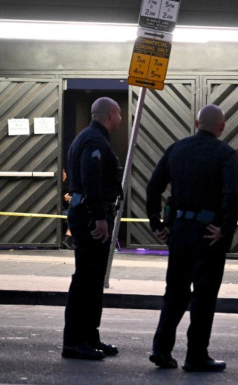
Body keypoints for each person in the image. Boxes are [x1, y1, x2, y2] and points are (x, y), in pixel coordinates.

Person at [146, 104, 238, 372]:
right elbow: (232, 193)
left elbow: (153, 187)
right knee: (204, 295)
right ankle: (196, 355)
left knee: (174, 293)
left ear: (196, 122)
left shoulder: (176, 149)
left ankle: (161, 350)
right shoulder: (226, 154)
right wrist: (225, 228)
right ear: (221, 127)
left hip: (178, 232)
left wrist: (157, 224)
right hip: (207, 234)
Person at [62, 97, 122, 361]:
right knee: (86, 280)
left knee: (93, 279)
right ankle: (75, 342)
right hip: (90, 216)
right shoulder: (95, 141)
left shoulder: (87, 137)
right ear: (110, 114)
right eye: (119, 114)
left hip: (86, 213)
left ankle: (89, 337)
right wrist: (99, 217)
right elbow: (90, 178)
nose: (121, 118)